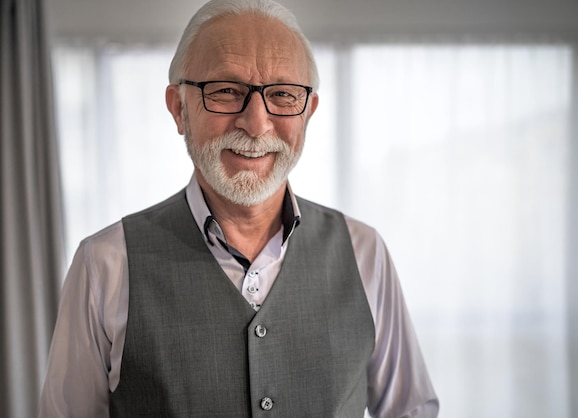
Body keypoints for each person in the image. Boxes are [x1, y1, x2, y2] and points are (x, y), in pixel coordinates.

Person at [39, 0, 439, 416]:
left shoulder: (365, 254)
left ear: (308, 113)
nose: (256, 123)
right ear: (179, 108)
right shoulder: (104, 265)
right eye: (227, 91)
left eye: (283, 94)